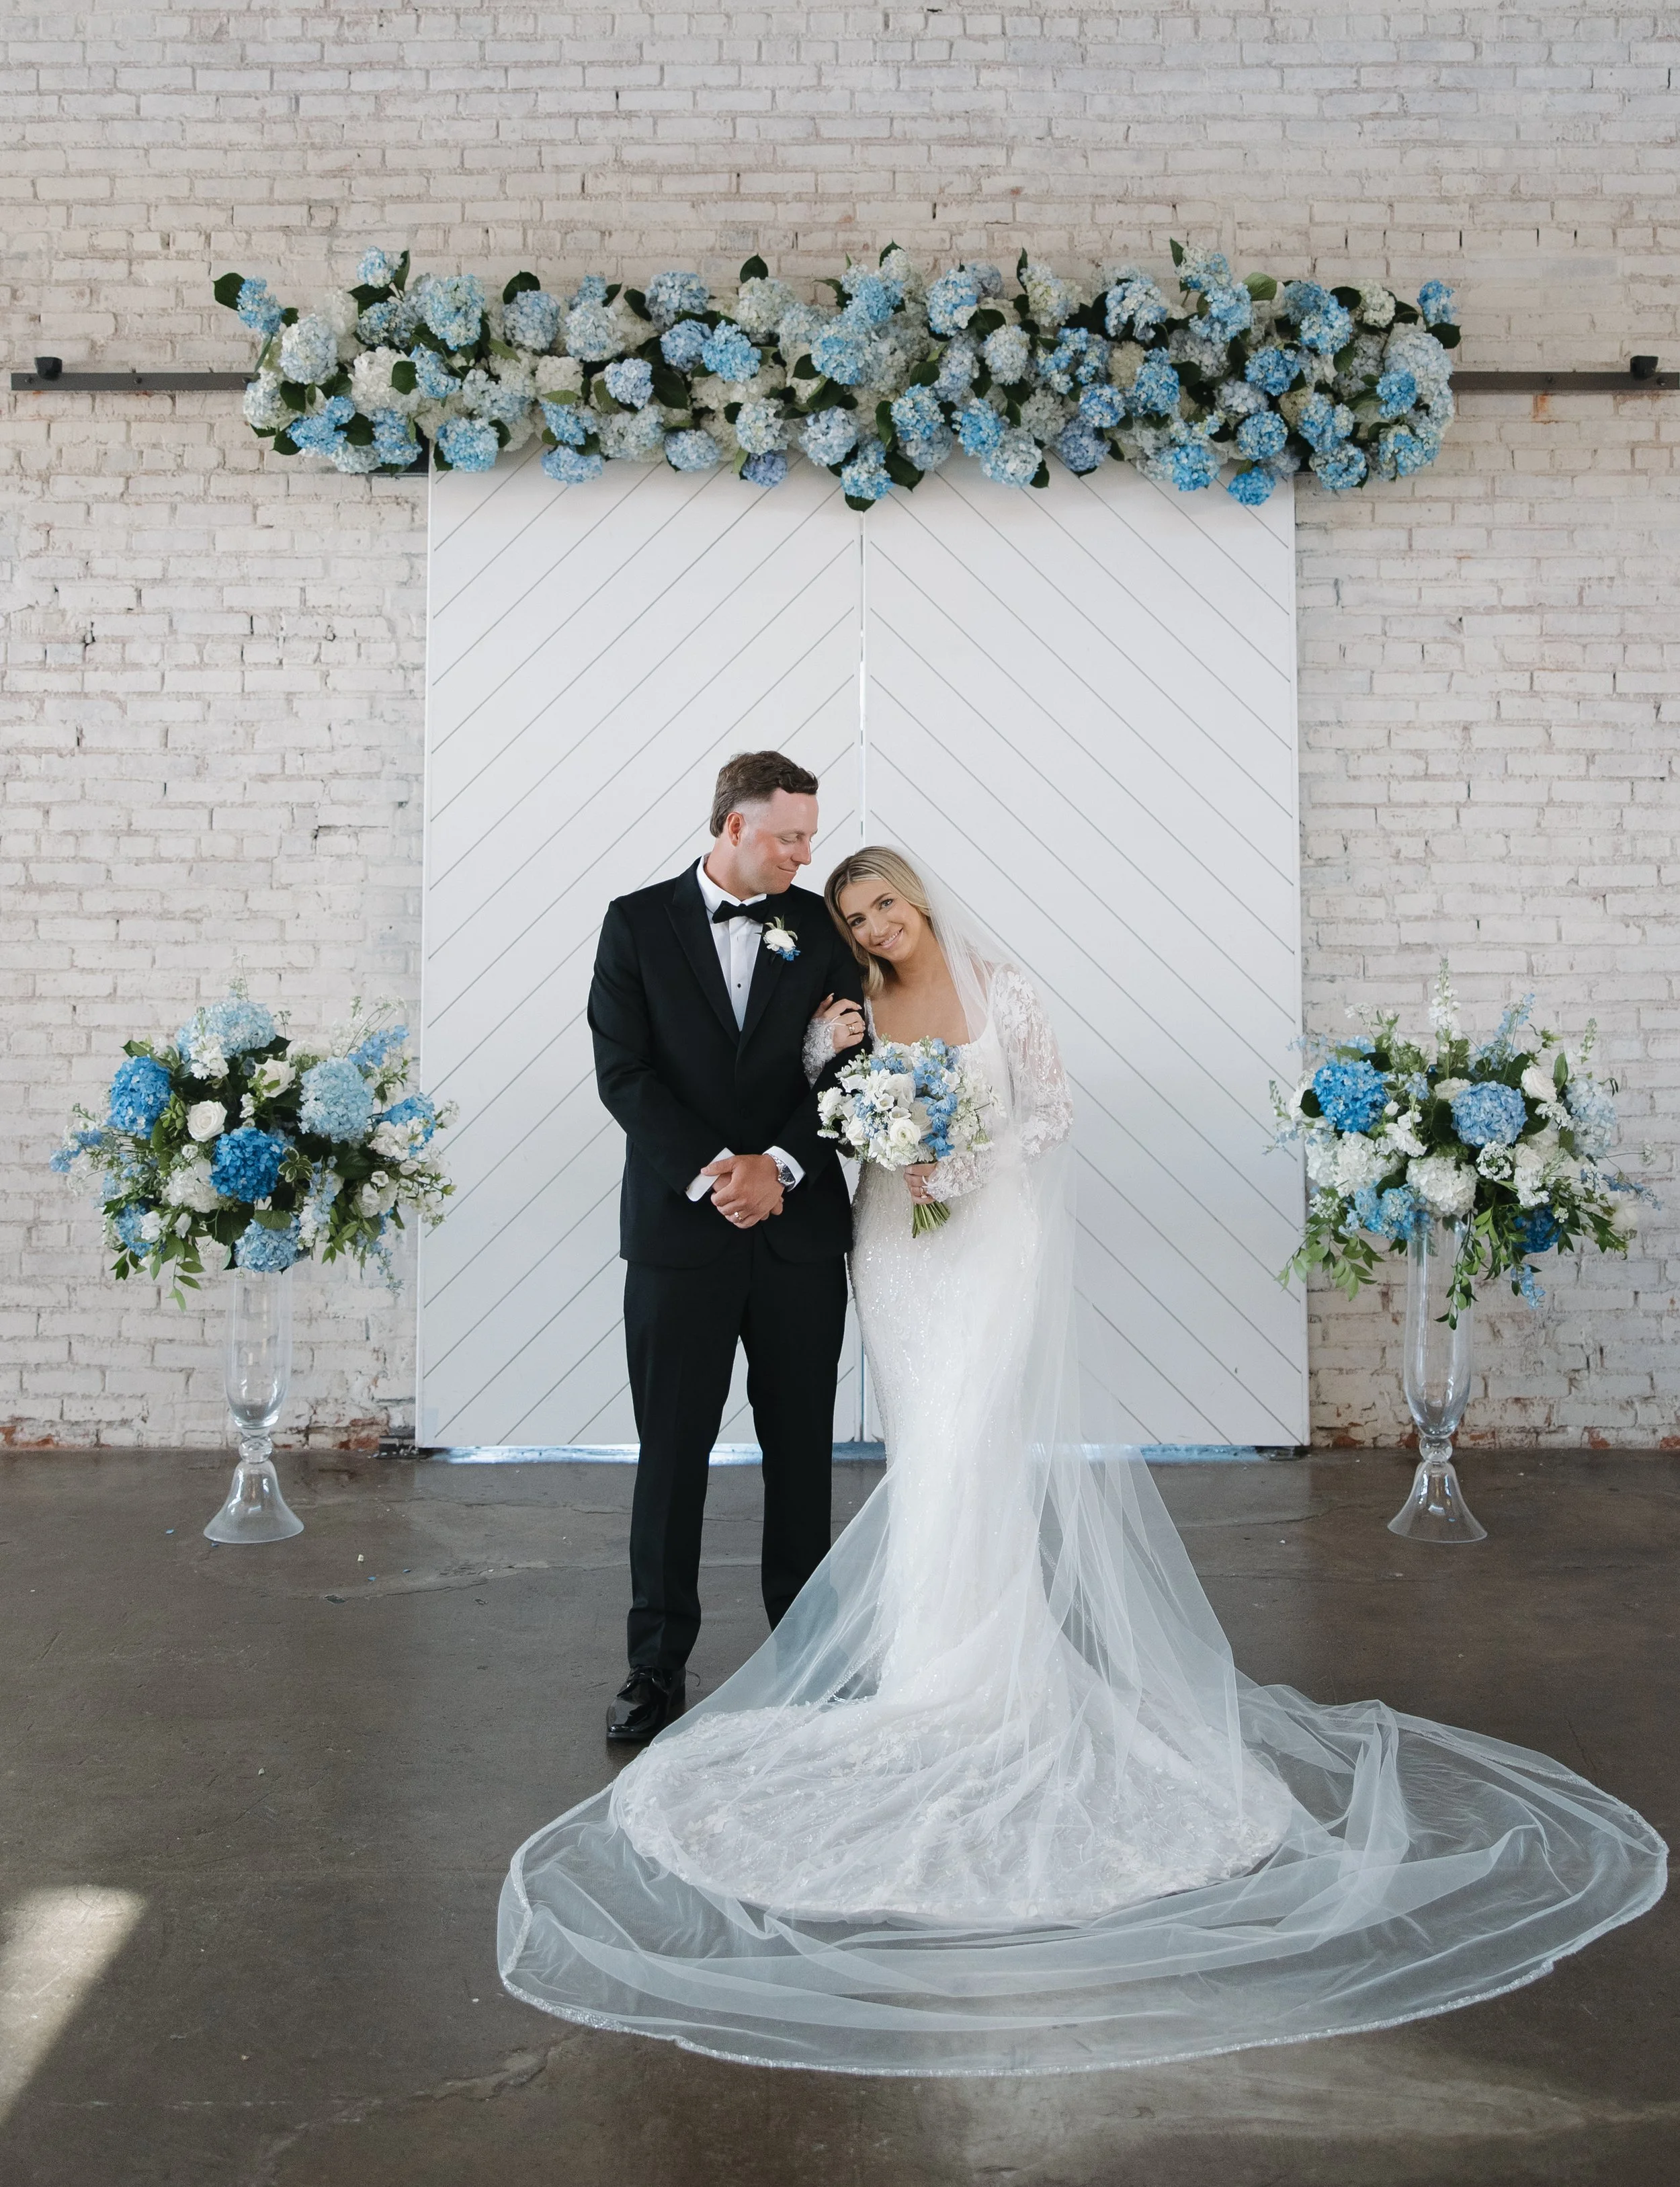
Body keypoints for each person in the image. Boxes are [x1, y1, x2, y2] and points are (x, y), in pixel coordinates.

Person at [503, 849, 1665, 2073]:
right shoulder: (846, 1011)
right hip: (897, 1247)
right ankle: (923, 1663)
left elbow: (1051, 1112)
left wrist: (964, 1154)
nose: (875, 926)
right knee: (926, 1449)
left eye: (883, 903)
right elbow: (820, 1114)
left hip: (988, 1238)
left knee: (974, 1443)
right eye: (854, 917)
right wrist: (890, 1140)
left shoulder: (1006, 991)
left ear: (919, 897)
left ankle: (984, 1668)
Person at [585, 751, 864, 1743]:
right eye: (789, 835)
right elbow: (625, 1076)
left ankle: (811, 1655)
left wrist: (779, 1166)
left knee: (802, 1454)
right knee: (672, 1456)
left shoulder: (823, 931)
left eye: (809, 835)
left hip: (796, 1236)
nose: (805, 852)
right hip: (678, 1235)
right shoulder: (635, 924)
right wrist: (717, 1170)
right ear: (734, 826)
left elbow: (851, 1068)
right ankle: (655, 1666)